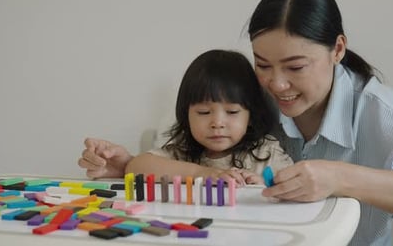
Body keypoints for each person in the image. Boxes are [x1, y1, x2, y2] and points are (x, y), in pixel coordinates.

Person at [78, 0, 393, 245]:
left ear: (337, 50)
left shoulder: (384, 113)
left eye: (295, 67)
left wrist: (338, 177)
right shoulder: (250, 100)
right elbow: (192, 155)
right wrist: (128, 164)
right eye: (263, 64)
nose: (276, 85)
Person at [79, 49, 293, 186]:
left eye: (232, 112)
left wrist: (261, 189)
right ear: (186, 114)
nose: (217, 123)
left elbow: (293, 195)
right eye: (203, 112)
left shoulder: (266, 152)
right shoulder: (181, 151)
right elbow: (137, 166)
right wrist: (205, 174)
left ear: (251, 114)